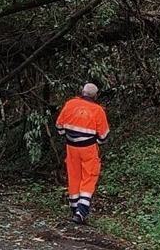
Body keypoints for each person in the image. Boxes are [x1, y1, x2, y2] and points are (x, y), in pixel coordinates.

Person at [55, 83, 110, 224]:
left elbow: (59, 126)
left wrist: (68, 136)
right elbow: (103, 136)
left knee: (74, 176)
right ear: (95, 96)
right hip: (88, 148)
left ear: (82, 92)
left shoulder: (70, 104)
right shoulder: (98, 110)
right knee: (89, 176)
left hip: (71, 147)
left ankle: (74, 209)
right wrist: (94, 142)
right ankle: (81, 211)